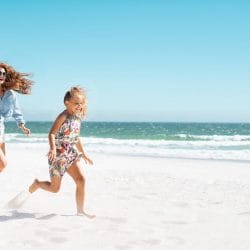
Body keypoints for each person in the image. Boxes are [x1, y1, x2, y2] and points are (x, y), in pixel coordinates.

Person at [29, 86, 95, 218]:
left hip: (70, 154)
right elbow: (52, 134)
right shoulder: (63, 116)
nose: (79, 106)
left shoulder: (77, 118)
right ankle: (37, 184)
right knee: (55, 189)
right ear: (67, 103)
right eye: (76, 103)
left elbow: (75, 138)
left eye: (81, 104)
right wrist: (53, 149)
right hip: (58, 156)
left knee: (81, 180)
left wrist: (84, 153)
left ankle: (80, 211)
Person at [0, 62, 33, 172]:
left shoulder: (10, 94)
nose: (1, 76)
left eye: (4, 74)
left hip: (1, 131)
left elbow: (16, 112)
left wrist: (22, 126)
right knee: (2, 164)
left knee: (2, 165)